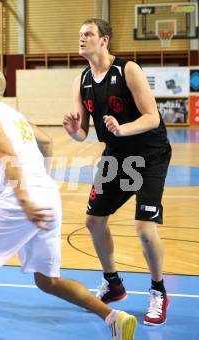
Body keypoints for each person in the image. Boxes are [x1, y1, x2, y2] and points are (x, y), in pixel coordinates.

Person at [0, 66, 136, 340]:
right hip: (47, 196)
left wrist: (25, 198)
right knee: (47, 280)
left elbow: (6, 155)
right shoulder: (15, 117)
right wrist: (40, 180)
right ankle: (113, 317)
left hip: (23, 202)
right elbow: (47, 141)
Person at [63, 19, 171, 326]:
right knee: (93, 221)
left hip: (150, 155)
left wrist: (122, 129)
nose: (82, 39)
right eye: (80, 34)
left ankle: (158, 291)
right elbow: (83, 132)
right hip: (116, 156)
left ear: (104, 40)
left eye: (88, 34)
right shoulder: (81, 80)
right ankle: (113, 282)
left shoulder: (128, 70)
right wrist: (74, 131)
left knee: (144, 229)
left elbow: (152, 117)